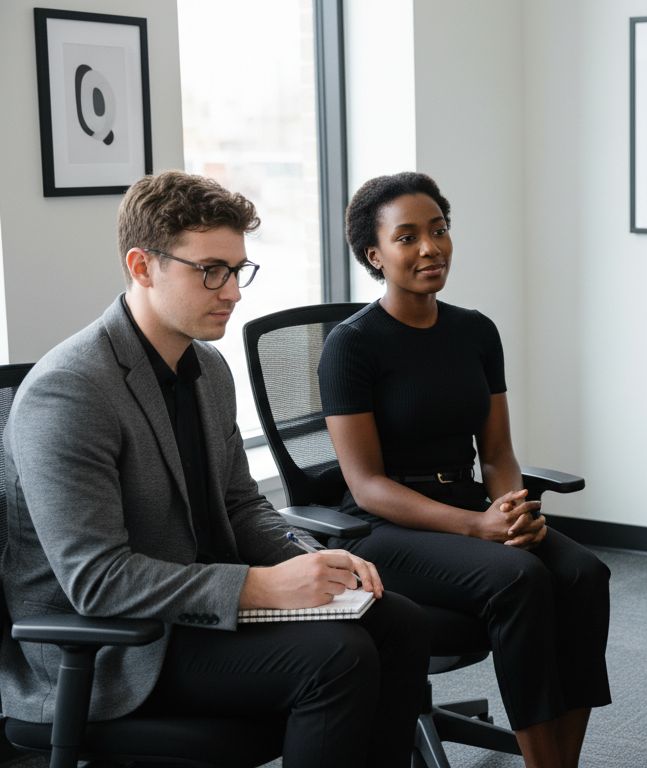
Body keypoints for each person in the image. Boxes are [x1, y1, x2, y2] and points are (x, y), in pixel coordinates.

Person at [0, 171, 429, 767]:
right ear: (142, 266)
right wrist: (263, 586)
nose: (232, 292)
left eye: (238, 269)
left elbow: (240, 505)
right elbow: (97, 581)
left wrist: (310, 562)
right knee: (338, 657)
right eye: (210, 271)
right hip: (119, 650)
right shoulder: (69, 391)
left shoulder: (207, 368)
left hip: (200, 608)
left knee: (398, 622)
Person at [319, 171, 610, 768]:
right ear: (374, 254)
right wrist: (478, 527)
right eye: (407, 237)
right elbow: (366, 485)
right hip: (387, 527)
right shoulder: (351, 346)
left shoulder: (476, 331)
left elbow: (499, 454)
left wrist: (514, 511)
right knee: (518, 577)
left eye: (439, 230)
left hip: (473, 508)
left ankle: (562, 762)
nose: (430, 248)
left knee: (584, 573)